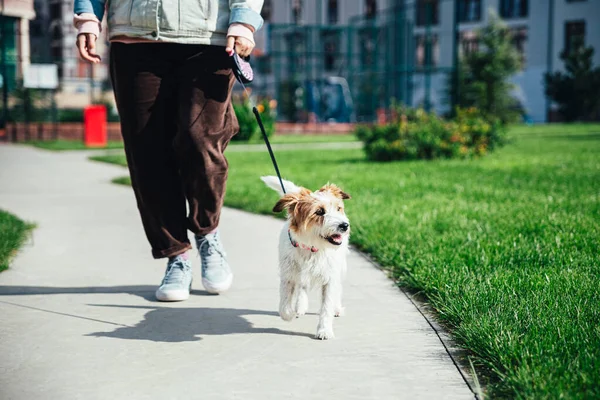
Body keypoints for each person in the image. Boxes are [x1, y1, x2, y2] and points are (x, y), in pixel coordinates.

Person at [73, 0, 264, 301]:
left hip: (208, 36)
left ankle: (207, 232)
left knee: (200, 140)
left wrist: (243, 22)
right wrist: (88, 17)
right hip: (135, 37)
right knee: (146, 152)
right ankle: (177, 254)